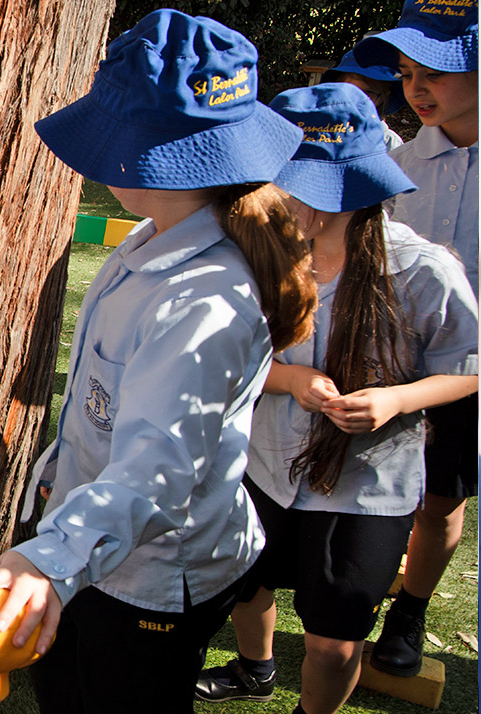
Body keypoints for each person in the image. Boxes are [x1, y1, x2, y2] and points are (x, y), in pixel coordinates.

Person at [0, 10, 315, 714]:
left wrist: (48, 560)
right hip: (103, 542)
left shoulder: (205, 300)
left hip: (146, 575)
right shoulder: (161, 237)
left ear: (136, 153)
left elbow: (157, 472)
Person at [194, 84, 477, 714]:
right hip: (264, 465)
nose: (277, 198)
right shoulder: (256, 260)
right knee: (245, 587)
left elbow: (470, 366)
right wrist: (289, 380)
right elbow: (223, 360)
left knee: (332, 643)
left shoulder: (422, 270)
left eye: (297, 184)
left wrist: (397, 401)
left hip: (367, 488)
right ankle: (256, 667)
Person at [354, 0, 480, 678]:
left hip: (469, 370)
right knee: (373, 485)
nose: (417, 88)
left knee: (440, 500)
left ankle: (410, 610)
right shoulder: (399, 165)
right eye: (406, 72)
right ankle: (358, 590)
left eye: (437, 71)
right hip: (391, 360)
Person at [321, 50, 406, 149]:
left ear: (381, 98)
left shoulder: (389, 142)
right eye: (348, 89)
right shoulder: (321, 132)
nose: (354, 98)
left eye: (366, 92)